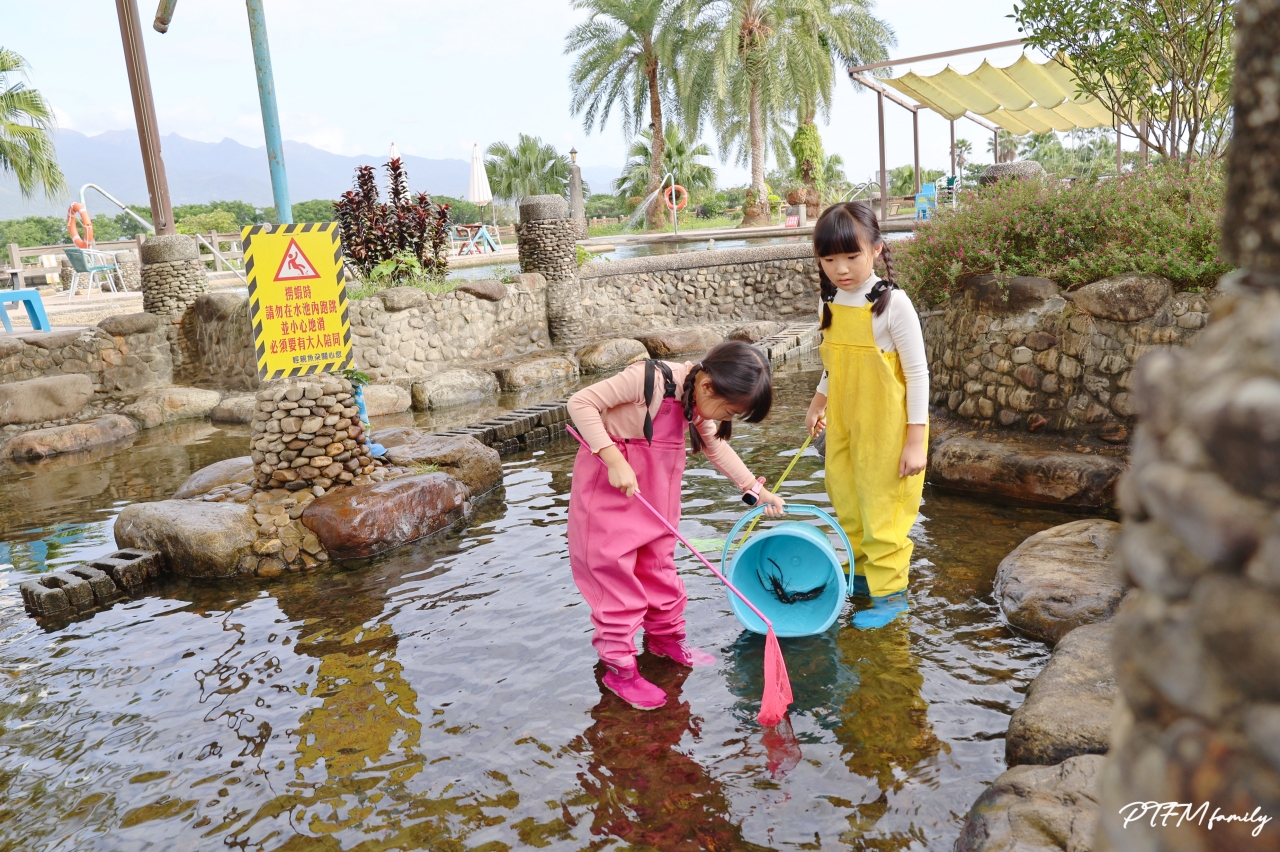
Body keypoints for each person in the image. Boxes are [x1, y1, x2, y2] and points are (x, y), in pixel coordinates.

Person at [567, 340, 785, 710]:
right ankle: (619, 668)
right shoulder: (646, 379)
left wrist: (753, 487)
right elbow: (581, 403)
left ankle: (665, 640)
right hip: (611, 495)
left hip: (655, 503)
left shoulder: (693, 403)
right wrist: (613, 458)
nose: (724, 418)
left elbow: (715, 445)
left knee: (660, 573)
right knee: (616, 583)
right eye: (729, 409)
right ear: (706, 385)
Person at [805, 201, 929, 629]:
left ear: (876, 249)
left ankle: (891, 594)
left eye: (852, 256)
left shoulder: (893, 304)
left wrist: (916, 440)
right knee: (849, 502)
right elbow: (832, 364)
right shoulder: (831, 301)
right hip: (844, 425)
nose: (841, 268)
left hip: (887, 430)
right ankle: (860, 578)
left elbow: (917, 375)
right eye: (829, 258)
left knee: (883, 512)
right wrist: (819, 402)